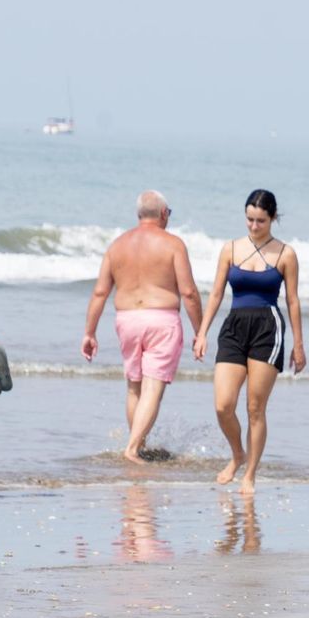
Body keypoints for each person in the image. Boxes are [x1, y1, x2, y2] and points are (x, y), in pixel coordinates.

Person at [193, 189, 307, 494]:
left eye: (260, 221)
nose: (254, 226)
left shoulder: (286, 254)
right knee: (223, 405)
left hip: (268, 329)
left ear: (272, 218)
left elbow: (293, 301)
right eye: (249, 220)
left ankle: (250, 474)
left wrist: (298, 345)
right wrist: (202, 332)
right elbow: (216, 293)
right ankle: (237, 454)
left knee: (255, 408)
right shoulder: (230, 249)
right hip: (234, 326)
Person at [81, 190, 203, 462]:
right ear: (163, 214)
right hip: (161, 319)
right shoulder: (173, 245)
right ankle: (133, 449)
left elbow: (100, 293)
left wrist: (89, 332)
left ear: (139, 215)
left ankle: (139, 444)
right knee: (152, 387)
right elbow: (189, 292)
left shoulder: (116, 246)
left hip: (127, 321)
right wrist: (200, 331)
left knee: (134, 386)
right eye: (168, 214)